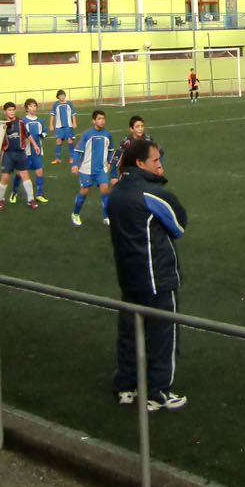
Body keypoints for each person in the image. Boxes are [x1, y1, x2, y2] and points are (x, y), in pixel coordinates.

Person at [108, 138, 187, 411]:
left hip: (128, 277)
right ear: (140, 163)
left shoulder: (115, 194)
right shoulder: (153, 194)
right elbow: (179, 226)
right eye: (155, 160)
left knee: (130, 334)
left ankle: (126, 386)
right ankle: (157, 392)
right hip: (157, 277)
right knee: (162, 335)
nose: (160, 164)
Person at [71, 109, 114, 227]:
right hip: (87, 169)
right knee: (85, 190)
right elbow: (77, 150)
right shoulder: (87, 134)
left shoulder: (107, 134)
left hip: (101, 169)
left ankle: (106, 216)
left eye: (103, 118)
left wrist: (109, 162)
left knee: (105, 189)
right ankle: (75, 214)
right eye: (99, 119)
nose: (102, 121)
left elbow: (110, 150)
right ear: (94, 121)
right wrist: (74, 164)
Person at [0, 101, 39, 211]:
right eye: (9, 110)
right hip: (8, 154)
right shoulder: (2, 124)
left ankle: (31, 199)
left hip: (20, 153)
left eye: (13, 110)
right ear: (5, 112)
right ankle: (0, 199)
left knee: (25, 175)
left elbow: (27, 135)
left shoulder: (21, 122)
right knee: (5, 177)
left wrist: (35, 145)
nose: (12, 112)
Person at [21, 97, 49, 202]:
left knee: (39, 171)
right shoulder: (23, 121)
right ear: (26, 108)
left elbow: (45, 132)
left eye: (34, 106)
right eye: (30, 106)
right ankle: (14, 191)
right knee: (22, 173)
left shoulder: (39, 121)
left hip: (37, 150)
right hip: (26, 151)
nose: (33, 108)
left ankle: (38, 194)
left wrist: (42, 135)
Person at [50, 90, 76, 165]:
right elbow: (52, 114)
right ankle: (57, 158)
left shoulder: (69, 103)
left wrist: (74, 122)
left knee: (70, 140)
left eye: (63, 95)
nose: (62, 96)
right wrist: (51, 124)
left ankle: (72, 158)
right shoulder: (56, 104)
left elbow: (73, 114)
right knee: (58, 141)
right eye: (60, 95)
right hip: (59, 126)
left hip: (68, 126)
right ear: (58, 96)